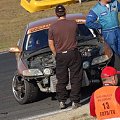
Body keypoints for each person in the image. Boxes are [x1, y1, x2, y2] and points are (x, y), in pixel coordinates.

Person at [48, 4, 83, 109]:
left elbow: (51, 44)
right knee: (76, 78)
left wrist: (56, 54)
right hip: (73, 53)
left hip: (60, 55)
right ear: (65, 12)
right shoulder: (73, 23)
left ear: (56, 14)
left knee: (61, 79)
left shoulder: (52, 27)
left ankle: (62, 101)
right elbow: (77, 35)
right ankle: (75, 101)